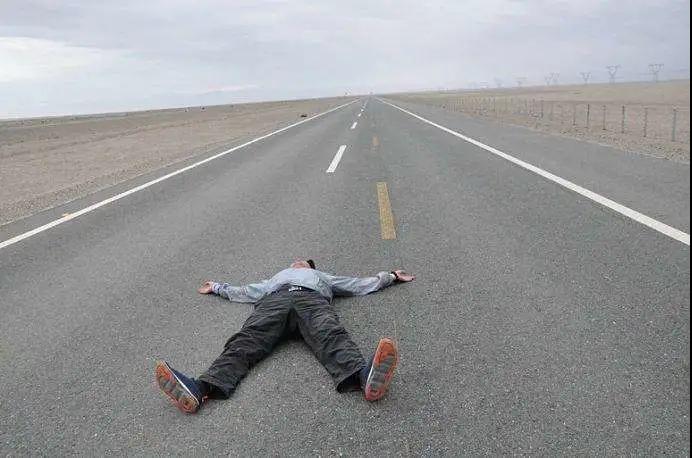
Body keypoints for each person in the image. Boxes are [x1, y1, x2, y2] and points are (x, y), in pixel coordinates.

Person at [155, 259, 415, 413]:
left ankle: (363, 377)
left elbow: (356, 284)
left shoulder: (320, 276)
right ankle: (200, 388)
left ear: (311, 268)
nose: (299, 262)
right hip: (274, 302)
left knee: (330, 335)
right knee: (245, 341)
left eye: (305, 262)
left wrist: (391, 276)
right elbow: (244, 291)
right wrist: (216, 287)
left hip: (311, 300)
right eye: (297, 261)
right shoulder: (274, 279)